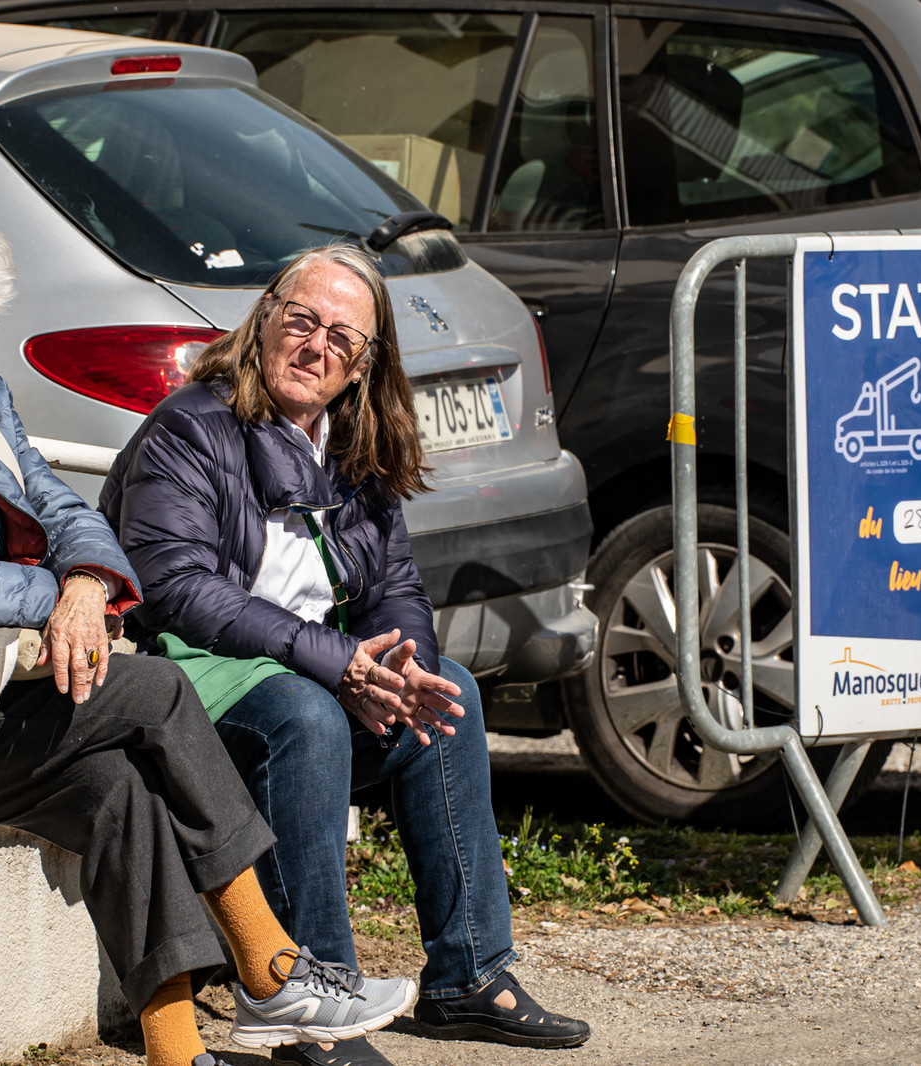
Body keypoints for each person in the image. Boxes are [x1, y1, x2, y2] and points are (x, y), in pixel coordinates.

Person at [0, 196, 418, 1066]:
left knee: (118, 789)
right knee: (157, 691)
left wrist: (90, 584)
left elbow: (70, 515)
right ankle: (270, 966)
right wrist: (47, 595)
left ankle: (179, 1053)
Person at [99, 244, 592, 1066]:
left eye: (341, 337)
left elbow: (395, 587)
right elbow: (174, 587)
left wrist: (405, 670)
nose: (315, 346)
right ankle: (314, 1001)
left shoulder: (355, 443)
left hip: (306, 671)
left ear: (363, 365)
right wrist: (332, 662)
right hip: (190, 681)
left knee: (449, 697)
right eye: (301, 321)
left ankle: (469, 976)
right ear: (264, 321)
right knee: (305, 717)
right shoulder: (190, 427)